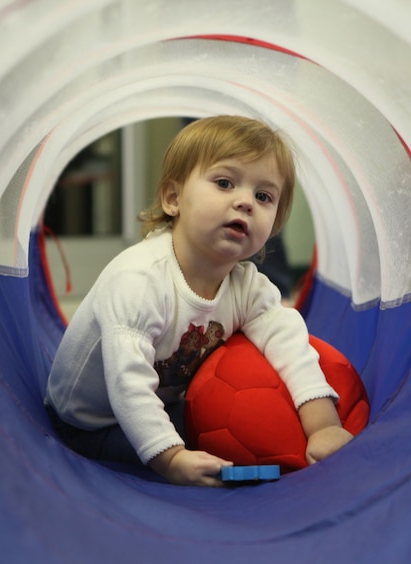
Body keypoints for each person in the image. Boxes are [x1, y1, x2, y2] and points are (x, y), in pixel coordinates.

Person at [45, 115, 353, 487]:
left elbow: (289, 344)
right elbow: (128, 384)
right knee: (218, 452)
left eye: (264, 196)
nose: (245, 203)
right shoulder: (140, 280)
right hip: (90, 421)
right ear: (174, 199)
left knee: (262, 423)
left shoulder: (246, 285)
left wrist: (323, 426)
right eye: (225, 183)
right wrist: (170, 458)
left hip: (168, 401)